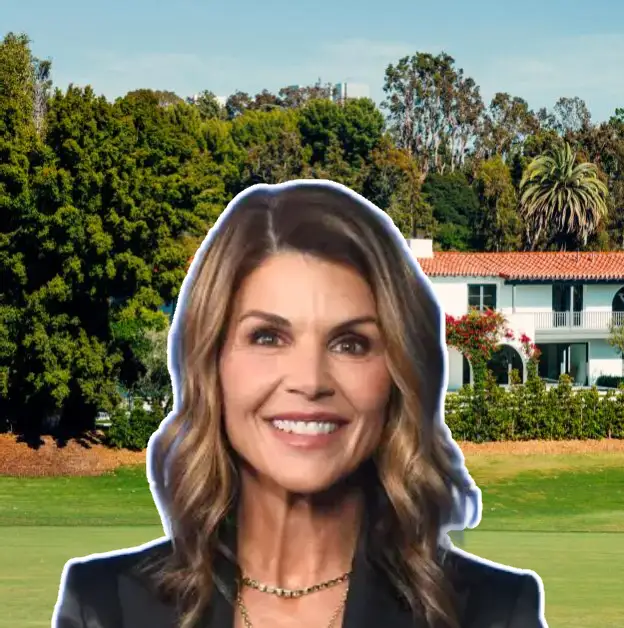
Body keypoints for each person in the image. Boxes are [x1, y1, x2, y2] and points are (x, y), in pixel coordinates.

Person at [52, 180, 547, 627]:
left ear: (397, 377)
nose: (310, 382)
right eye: (267, 337)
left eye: (351, 343)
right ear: (211, 363)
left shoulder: (493, 611)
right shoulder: (104, 607)